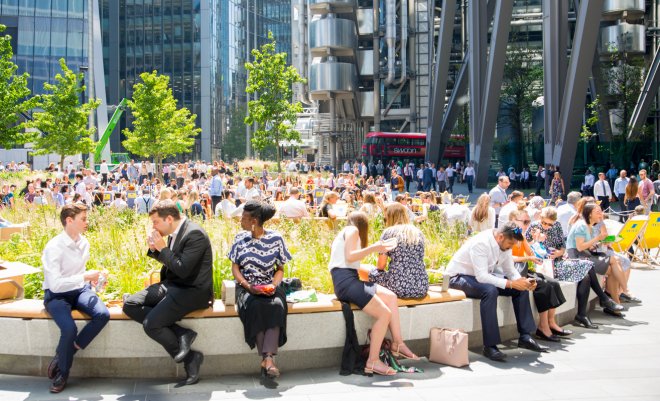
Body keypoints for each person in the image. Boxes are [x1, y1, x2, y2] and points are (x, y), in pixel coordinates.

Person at [123, 201, 213, 386]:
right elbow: (172, 264)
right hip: (173, 284)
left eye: (155, 222)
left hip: (192, 291)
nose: (153, 227)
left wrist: (162, 249)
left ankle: (190, 359)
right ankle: (182, 334)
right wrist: (156, 250)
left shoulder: (194, 234)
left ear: (169, 218)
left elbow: (183, 269)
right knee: (130, 304)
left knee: (151, 324)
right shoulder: (173, 232)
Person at [446, 222, 547, 361]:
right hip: (458, 277)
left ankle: (525, 336)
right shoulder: (481, 243)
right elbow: (482, 277)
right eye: (510, 244)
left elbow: (510, 270)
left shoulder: (506, 244)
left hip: (478, 277)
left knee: (520, 288)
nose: (511, 248)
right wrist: (511, 283)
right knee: (490, 291)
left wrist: (522, 282)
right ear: (500, 237)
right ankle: (490, 346)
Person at [329, 212, 414, 376]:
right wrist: (375, 247)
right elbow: (349, 256)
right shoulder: (353, 230)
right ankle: (373, 361)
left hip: (347, 280)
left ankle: (398, 343)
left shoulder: (346, 232)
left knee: (391, 296)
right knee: (384, 314)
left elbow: (348, 260)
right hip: (346, 282)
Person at [41, 204, 110, 393]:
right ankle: (62, 373)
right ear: (69, 220)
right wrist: (85, 277)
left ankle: (66, 352)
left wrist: (95, 281)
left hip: (80, 290)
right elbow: (55, 284)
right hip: (56, 296)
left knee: (103, 315)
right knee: (69, 329)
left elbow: (80, 275)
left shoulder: (84, 242)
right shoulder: (53, 247)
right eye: (83, 219)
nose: (87, 222)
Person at [229, 201, 291, 378]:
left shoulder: (276, 238)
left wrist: (273, 285)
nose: (241, 220)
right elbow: (235, 268)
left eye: (244, 218)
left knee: (277, 305)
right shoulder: (240, 238)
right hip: (246, 285)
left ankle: (267, 359)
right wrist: (248, 286)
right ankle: (269, 359)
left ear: (254, 221)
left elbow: (280, 269)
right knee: (255, 306)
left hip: (269, 283)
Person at [509, 209, 569, 342]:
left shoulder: (520, 234)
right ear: (513, 220)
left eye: (528, 221)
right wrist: (528, 258)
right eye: (524, 222)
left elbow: (530, 251)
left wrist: (536, 243)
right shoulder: (508, 234)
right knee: (544, 286)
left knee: (553, 283)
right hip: (513, 271)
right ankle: (543, 326)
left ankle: (551, 322)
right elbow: (507, 258)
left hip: (522, 269)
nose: (527, 225)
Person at [566, 203, 627, 321]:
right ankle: (621, 293)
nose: (601, 214)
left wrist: (599, 244)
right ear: (589, 214)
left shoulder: (590, 226)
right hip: (576, 256)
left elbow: (588, 247)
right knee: (613, 260)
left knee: (612, 269)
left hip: (585, 254)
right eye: (597, 212)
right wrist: (598, 238)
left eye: (601, 211)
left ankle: (613, 301)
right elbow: (579, 247)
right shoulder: (582, 226)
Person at [368, 203, 428, 299]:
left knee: (366, 270)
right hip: (421, 286)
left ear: (390, 217)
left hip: (397, 286)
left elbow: (381, 266)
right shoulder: (417, 232)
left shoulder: (389, 233)